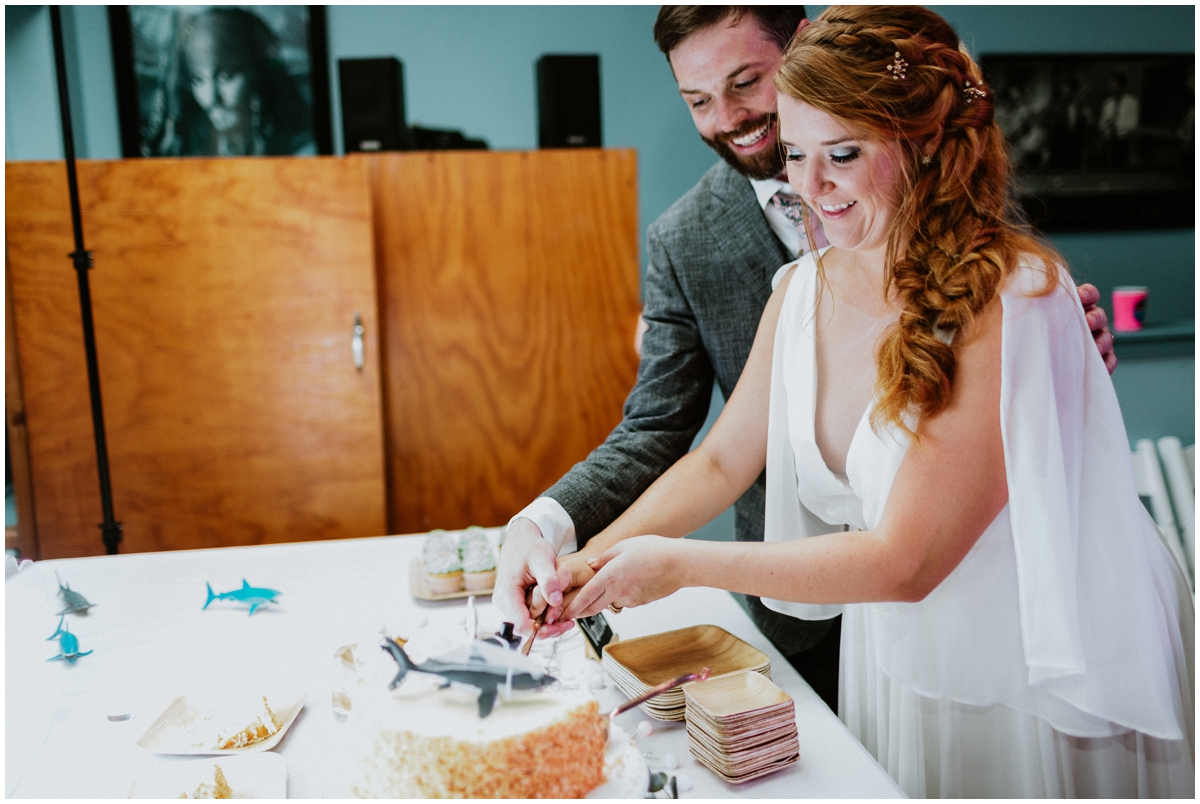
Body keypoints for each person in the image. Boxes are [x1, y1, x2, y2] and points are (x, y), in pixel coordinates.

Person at [553, 6, 1193, 797]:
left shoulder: (1009, 295)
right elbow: (722, 459)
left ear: (919, 145)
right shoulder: (802, 290)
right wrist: (587, 562)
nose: (809, 187)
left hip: (1035, 660)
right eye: (794, 154)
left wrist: (680, 567)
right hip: (898, 653)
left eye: (843, 155)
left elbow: (907, 559)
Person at [150, 8, 315, 157]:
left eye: (225, 77)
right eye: (198, 79)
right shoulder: (182, 149)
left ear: (259, 74)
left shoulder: (303, 152)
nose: (211, 99)